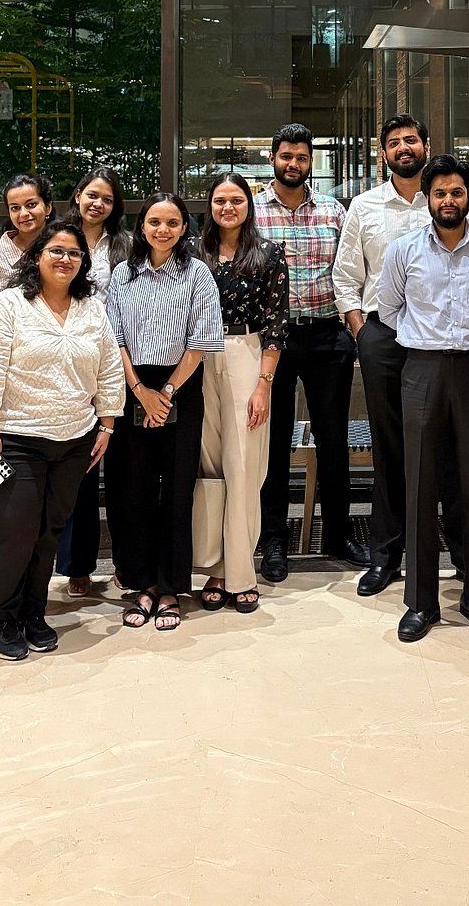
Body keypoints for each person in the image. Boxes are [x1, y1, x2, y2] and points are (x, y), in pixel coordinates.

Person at [333, 114, 469, 597]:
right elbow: (345, 278)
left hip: (442, 342)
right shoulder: (364, 206)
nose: (403, 148)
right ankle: (387, 556)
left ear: (426, 144)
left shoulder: (452, 199)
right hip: (383, 335)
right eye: (394, 143)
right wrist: (362, 334)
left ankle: (462, 555)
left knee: (452, 451)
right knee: (391, 448)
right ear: (383, 153)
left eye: (411, 140)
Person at [0, 221, 124, 662]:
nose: (66, 259)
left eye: (75, 254)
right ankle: (1, 614)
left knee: (48, 534)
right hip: (14, 439)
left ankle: (34, 612)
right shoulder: (9, 305)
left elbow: (108, 367)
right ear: (37, 256)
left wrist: (107, 424)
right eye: (56, 250)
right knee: (13, 532)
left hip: (74, 440)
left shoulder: (92, 309)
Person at [378, 155, 469, 642]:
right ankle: (421, 603)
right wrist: (426, 338)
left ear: (468, 196)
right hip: (422, 372)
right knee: (420, 486)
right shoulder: (403, 250)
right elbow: (388, 309)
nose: (448, 201)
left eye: (456, 192)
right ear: (427, 200)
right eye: (439, 193)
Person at [255, 123, 369, 580]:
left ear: (310, 163)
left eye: (302, 158)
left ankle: (338, 536)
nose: (294, 164)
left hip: (326, 336)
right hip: (273, 343)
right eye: (286, 156)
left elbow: (350, 272)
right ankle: (274, 541)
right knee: (273, 443)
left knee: (333, 440)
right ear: (273, 158)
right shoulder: (254, 213)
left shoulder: (334, 212)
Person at [105, 194, 224, 632]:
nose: (163, 230)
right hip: (131, 386)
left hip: (182, 387)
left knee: (176, 490)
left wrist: (166, 392)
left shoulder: (198, 275)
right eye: (154, 221)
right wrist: (140, 391)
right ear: (142, 227)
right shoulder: (123, 274)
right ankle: (142, 584)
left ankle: (172, 586)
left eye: (172, 222)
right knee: (133, 490)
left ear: (183, 228)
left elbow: (202, 340)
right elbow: (112, 335)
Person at [196, 174, 289, 613]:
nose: (228, 207)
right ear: (210, 206)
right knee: (209, 467)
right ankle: (214, 567)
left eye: (236, 200)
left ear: (249, 205)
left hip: (246, 355)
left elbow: (276, 325)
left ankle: (241, 572)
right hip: (197, 357)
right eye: (220, 200)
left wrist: (263, 384)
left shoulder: (268, 254)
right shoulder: (193, 253)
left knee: (245, 467)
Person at [56, 166, 131, 597]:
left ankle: (125, 560)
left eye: (106, 198)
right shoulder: (60, 240)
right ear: (78, 196)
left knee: (123, 474)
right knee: (78, 473)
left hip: (118, 363)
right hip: (70, 367)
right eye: (91, 194)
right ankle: (77, 566)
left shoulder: (125, 246)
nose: (97, 203)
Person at [0, 172, 55, 315]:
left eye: (31, 205)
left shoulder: (64, 251)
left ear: (48, 207)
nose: (23, 213)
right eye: (15, 208)